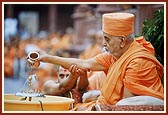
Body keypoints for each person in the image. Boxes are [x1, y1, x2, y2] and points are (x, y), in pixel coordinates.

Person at [28, 12, 164, 111]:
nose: (104, 44)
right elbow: (83, 63)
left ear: (122, 41)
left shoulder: (138, 61)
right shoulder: (115, 55)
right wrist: (46, 58)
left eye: (107, 39)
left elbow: (124, 105)